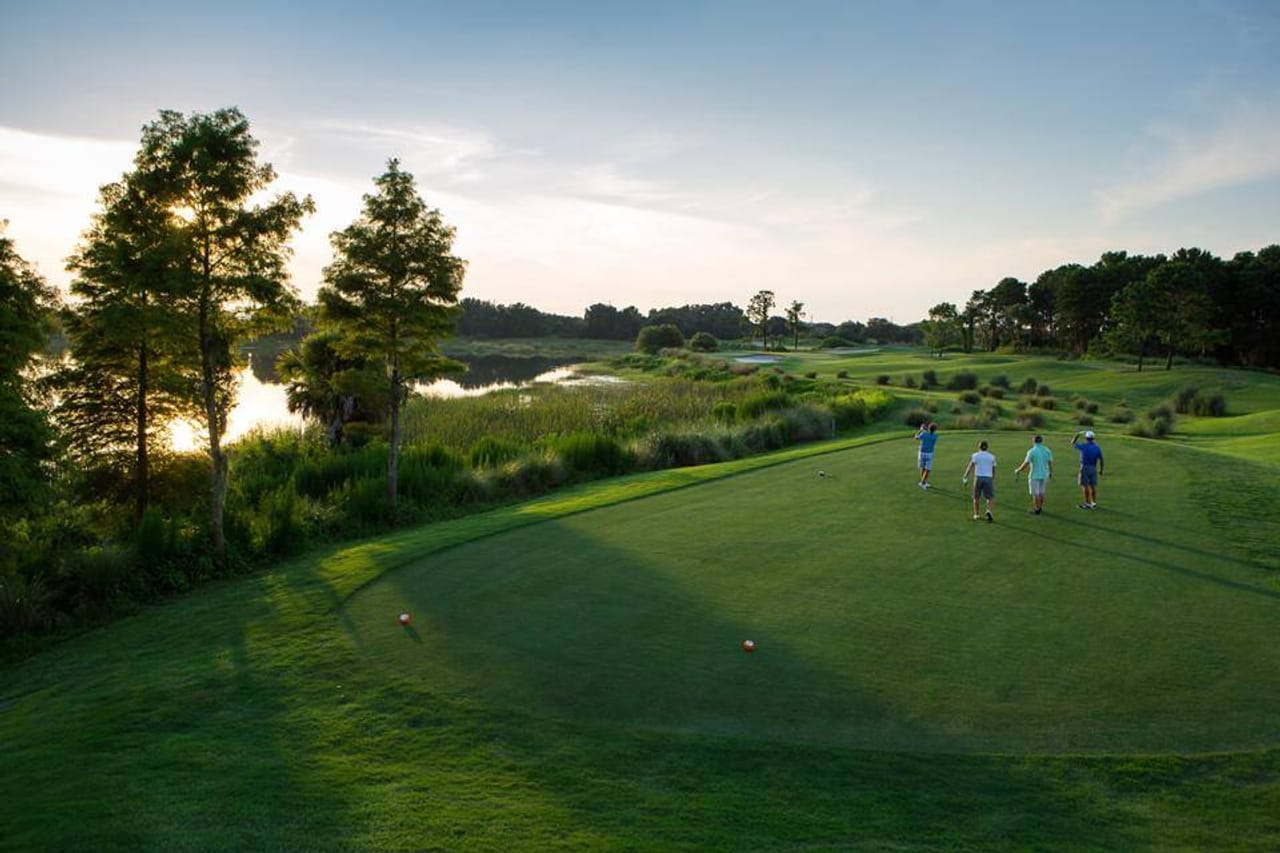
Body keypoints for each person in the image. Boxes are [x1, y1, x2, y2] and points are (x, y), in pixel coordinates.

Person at [1013, 434, 1054, 515]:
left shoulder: (1032, 451)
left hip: (1034, 475)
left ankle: (1036, 509)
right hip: (1045, 474)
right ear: (1042, 441)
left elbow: (1026, 463)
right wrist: (1051, 472)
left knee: (1036, 493)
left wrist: (1018, 470)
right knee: (1042, 492)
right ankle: (1040, 507)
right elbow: (1050, 463)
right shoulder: (1047, 450)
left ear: (1033, 441)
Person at [961, 439, 997, 522]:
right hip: (988, 478)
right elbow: (993, 469)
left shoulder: (975, 455)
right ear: (987, 447)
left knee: (976, 497)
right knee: (990, 497)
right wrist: (992, 478)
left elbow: (971, 466)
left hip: (978, 477)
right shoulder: (992, 457)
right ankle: (988, 510)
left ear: (979, 447)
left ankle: (976, 514)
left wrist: (965, 475)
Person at [1069, 429, 1104, 509]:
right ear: (1093, 438)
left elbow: (1072, 442)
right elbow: (1101, 459)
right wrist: (1101, 470)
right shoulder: (1097, 448)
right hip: (1093, 468)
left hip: (1084, 467)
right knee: (1092, 486)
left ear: (1086, 438)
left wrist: (1077, 434)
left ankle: (1087, 503)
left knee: (1085, 486)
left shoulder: (1083, 446)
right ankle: (1093, 503)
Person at [914, 422, 939, 489]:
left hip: (922, 453)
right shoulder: (935, 436)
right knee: (927, 469)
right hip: (929, 454)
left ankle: (923, 482)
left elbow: (916, 437)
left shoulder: (924, 434)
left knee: (924, 468)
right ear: (935, 430)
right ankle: (923, 482)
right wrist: (924, 430)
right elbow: (930, 433)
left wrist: (920, 430)